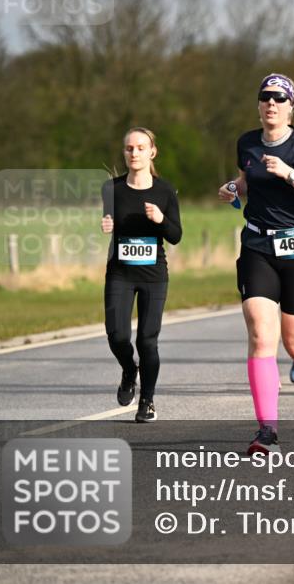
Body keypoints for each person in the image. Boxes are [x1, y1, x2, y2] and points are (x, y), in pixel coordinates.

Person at [218, 73, 294, 454]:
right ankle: (266, 430)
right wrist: (235, 188)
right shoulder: (247, 143)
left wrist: (290, 174)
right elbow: (246, 179)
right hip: (257, 246)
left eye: (279, 99)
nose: (272, 103)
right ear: (258, 104)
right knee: (260, 334)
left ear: (291, 107)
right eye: (266, 97)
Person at [101, 127, 181, 423]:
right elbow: (110, 220)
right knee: (117, 335)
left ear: (152, 152)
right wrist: (108, 225)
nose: (134, 153)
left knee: (148, 340)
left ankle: (147, 400)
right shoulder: (111, 189)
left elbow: (176, 235)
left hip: (153, 275)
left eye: (140, 148)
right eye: (129, 148)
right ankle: (128, 369)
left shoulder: (165, 191)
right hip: (120, 273)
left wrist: (161, 220)